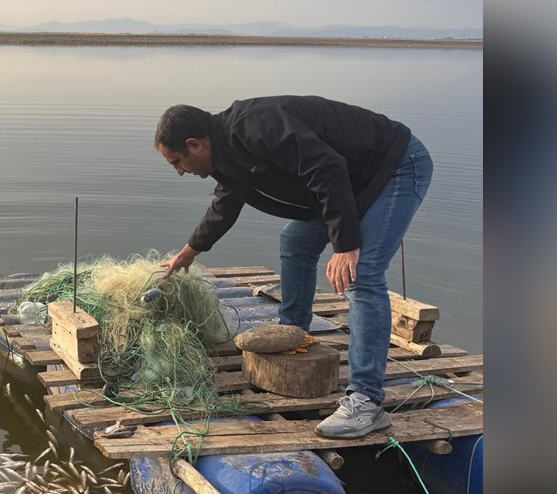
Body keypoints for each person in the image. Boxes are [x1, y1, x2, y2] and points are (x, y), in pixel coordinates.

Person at [155, 96, 433, 439]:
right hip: (352, 182)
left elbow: (326, 168)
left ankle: (366, 402)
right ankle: (292, 334)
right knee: (295, 243)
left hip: (395, 166)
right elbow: (225, 205)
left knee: (362, 275)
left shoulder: (255, 126)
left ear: (195, 144)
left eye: (177, 162)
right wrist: (189, 251)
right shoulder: (226, 156)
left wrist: (345, 245)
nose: (180, 171)